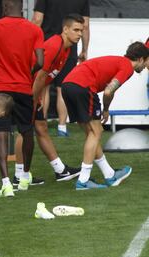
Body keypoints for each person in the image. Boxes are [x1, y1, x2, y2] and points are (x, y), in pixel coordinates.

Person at [0, 0, 44, 197]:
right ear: (22, 7)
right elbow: (40, 61)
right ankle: (24, 176)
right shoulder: (34, 30)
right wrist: (27, 73)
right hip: (24, 88)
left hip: (1, 88)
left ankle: (6, 182)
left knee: (1, 133)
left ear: (5, 7)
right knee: (26, 131)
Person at [61, 42, 149, 190]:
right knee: (97, 132)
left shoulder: (118, 61)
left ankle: (109, 175)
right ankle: (83, 181)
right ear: (140, 59)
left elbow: (109, 90)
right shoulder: (127, 67)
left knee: (91, 134)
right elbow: (109, 91)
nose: (146, 66)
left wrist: (105, 109)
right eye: (147, 61)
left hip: (67, 85)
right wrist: (106, 108)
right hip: (83, 86)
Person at [13, 14, 85, 188]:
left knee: (41, 127)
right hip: (25, 89)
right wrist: (33, 98)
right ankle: (19, 174)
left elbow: (45, 79)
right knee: (24, 131)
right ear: (65, 29)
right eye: (76, 30)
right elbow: (39, 77)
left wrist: (39, 97)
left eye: (81, 31)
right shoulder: (54, 46)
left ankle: (60, 170)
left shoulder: (66, 49)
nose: (79, 34)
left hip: (32, 90)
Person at [32, 0, 90, 136]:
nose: (80, 32)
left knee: (44, 88)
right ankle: (61, 126)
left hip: (49, 42)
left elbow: (37, 19)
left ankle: (40, 122)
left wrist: (32, 42)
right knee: (61, 88)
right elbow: (85, 25)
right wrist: (84, 49)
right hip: (59, 46)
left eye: (78, 30)